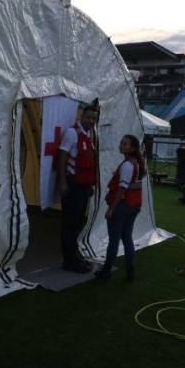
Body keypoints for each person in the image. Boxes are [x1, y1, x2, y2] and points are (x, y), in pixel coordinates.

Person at [95, 135, 145, 281]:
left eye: (125, 144)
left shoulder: (127, 165)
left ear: (132, 148)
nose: (121, 145)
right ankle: (130, 270)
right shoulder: (135, 163)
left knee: (114, 240)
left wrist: (111, 209)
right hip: (133, 205)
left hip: (123, 206)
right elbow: (133, 184)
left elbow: (122, 189)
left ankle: (106, 271)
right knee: (127, 238)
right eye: (121, 143)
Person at [57, 104, 98, 273]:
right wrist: (63, 182)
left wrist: (91, 185)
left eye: (94, 119)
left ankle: (75, 255)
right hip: (72, 185)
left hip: (83, 187)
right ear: (82, 116)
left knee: (77, 223)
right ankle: (69, 261)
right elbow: (62, 156)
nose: (91, 121)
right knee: (69, 224)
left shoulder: (88, 136)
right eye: (88, 117)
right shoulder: (72, 133)